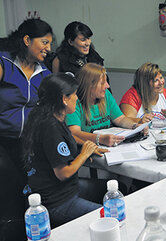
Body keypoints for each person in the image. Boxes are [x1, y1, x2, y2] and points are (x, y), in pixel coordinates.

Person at [22, 73, 105, 227]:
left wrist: (87, 148)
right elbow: (63, 173)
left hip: (66, 189)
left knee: (110, 188)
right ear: (64, 99)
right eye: (74, 95)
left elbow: (67, 142)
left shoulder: (50, 117)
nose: (77, 99)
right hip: (57, 201)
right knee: (109, 215)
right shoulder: (50, 127)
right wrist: (84, 154)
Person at [0, 18, 53, 239]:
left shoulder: (44, 73)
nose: (49, 49)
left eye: (50, 43)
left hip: (29, 143)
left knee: (30, 193)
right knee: (10, 192)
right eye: (44, 42)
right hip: (4, 140)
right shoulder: (5, 64)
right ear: (27, 40)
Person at [66, 63, 148, 147]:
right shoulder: (74, 102)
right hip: (87, 148)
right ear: (90, 85)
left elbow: (120, 119)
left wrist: (135, 126)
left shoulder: (106, 95)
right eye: (102, 83)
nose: (107, 86)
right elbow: (74, 133)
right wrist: (100, 139)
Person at [120, 62, 166, 127]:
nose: (161, 82)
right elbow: (123, 122)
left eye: (161, 78)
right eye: (155, 80)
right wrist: (139, 121)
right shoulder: (132, 96)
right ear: (145, 84)